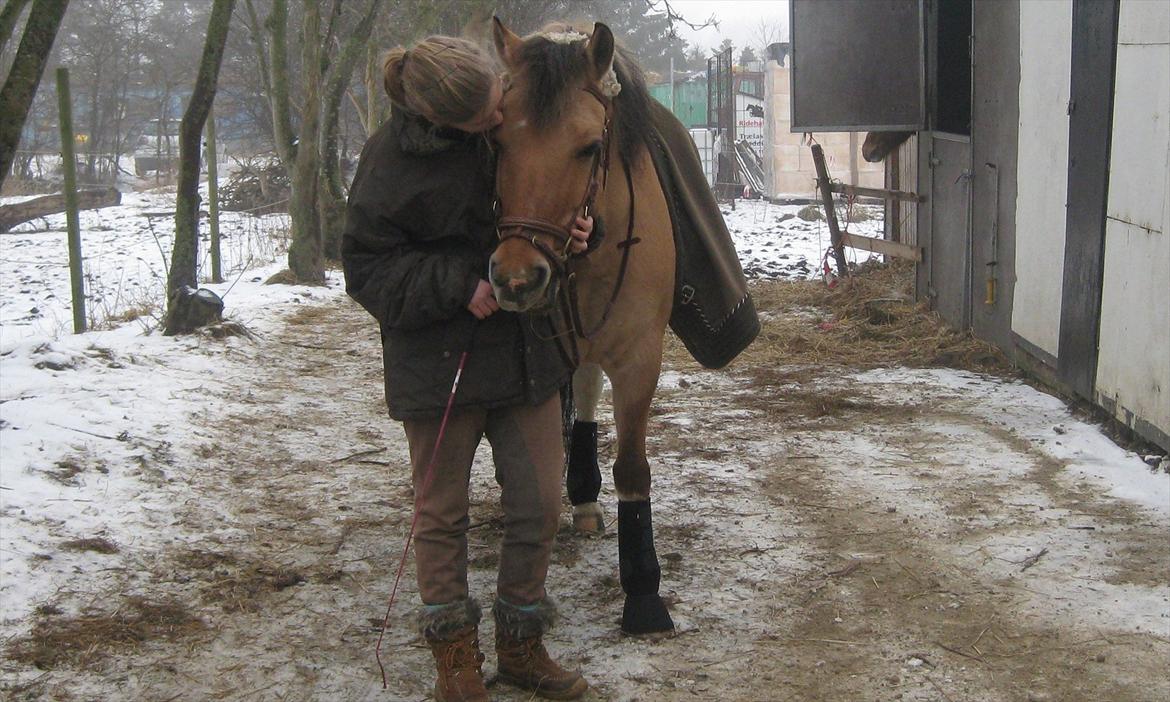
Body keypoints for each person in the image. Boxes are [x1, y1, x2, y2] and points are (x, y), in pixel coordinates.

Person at [341, 35, 592, 702]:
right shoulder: (388, 163)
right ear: (444, 119)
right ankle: (455, 665)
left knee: (539, 503)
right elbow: (366, 268)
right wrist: (458, 284)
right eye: (485, 114)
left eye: (499, 99)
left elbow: (544, 198)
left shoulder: (510, 124)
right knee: (443, 517)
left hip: (525, 352)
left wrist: (570, 234)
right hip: (437, 363)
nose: (498, 117)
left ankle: (522, 646)